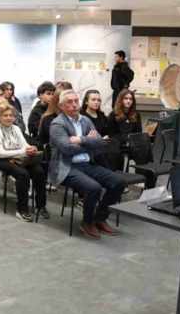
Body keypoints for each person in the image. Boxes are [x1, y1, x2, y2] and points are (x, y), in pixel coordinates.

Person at [48, 90, 125, 240]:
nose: (75, 105)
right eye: (70, 102)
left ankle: (99, 218)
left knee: (118, 182)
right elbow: (67, 149)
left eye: (76, 101)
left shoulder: (85, 120)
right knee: (93, 188)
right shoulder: (57, 124)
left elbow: (100, 142)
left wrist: (80, 139)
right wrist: (88, 142)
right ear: (61, 105)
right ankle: (87, 222)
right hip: (67, 167)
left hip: (87, 164)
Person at [0, 99, 49, 222]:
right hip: (0, 159)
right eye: (5, 115)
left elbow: (24, 144)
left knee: (39, 172)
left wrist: (31, 148)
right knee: (23, 174)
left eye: (11, 115)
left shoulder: (15, 128)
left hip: (19, 157)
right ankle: (22, 209)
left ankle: (40, 205)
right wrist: (22, 151)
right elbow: (0, 153)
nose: (9, 118)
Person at [108, 89, 142, 173]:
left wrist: (132, 141)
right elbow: (111, 134)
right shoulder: (113, 115)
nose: (128, 101)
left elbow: (138, 133)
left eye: (131, 99)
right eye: (126, 98)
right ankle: (121, 178)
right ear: (121, 100)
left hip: (132, 143)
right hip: (119, 143)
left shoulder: (136, 115)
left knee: (145, 150)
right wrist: (124, 141)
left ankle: (144, 178)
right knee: (119, 153)